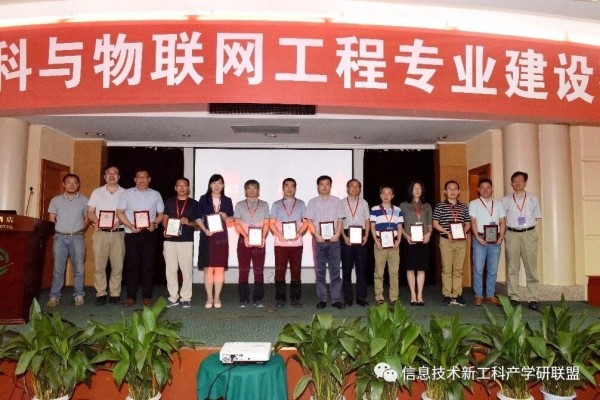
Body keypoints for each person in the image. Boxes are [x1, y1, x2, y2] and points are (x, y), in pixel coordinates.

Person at [116, 168, 164, 307]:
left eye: (144, 177)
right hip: (132, 233)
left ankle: (147, 296)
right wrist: (130, 225)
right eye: (139, 177)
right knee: (132, 266)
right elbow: (119, 212)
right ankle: (131, 296)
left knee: (148, 266)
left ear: (149, 179)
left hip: (149, 234)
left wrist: (155, 223)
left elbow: (161, 214)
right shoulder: (126, 193)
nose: (142, 179)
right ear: (134, 179)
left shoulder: (155, 194)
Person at [501, 171, 542, 311]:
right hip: (512, 234)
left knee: (531, 266)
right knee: (513, 267)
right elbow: (503, 218)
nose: (518, 183)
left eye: (521, 180)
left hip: (528, 233)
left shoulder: (532, 198)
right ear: (511, 183)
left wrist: (525, 227)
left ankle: (533, 298)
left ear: (525, 183)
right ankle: (514, 296)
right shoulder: (506, 200)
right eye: (515, 181)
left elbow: (536, 216)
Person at [47, 174, 89, 308]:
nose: (72, 185)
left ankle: (78, 295)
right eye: (69, 182)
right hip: (59, 238)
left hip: (77, 237)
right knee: (58, 269)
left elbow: (87, 217)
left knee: (79, 268)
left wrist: (81, 228)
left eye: (75, 182)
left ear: (78, 185)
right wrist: (58, 229)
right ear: (63, 184)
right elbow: (51, 217)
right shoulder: (55, 200)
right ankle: (54, 296)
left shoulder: (84, 200)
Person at [87, 165, 126, 306]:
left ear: (119, 176)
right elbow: (90, 212)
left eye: (115, 173)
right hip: (100, 234)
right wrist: (96, 221)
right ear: (104, 176)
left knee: (118, 266)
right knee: (99, 265)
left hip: (118, 233)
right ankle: (101, 293)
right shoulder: (96, 192)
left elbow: (128, 212)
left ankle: (115, 293)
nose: (111, 175)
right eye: (108, 173)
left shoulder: (125, 193)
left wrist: (120, 221)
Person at [305, 175, 345, 309]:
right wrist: (316, 235)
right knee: (320, 272)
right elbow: (309, 221)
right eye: (321, 184)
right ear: (318, 186)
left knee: (335, 271)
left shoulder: (337, 201)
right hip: (318, 241)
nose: (324, 186)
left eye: (327, 184)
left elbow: (340, 219)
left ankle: (336, 299)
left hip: (334, 241)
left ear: (330, 186)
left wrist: (337, 234)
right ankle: (322, 299)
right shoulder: (312, 202)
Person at [162, 177, 201, 308]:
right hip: (170, 241)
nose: (182, 187)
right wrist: (165, 229)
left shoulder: (194, 204)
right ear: (175, 188)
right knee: (170, 270)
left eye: (184, 185)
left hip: (186, 241)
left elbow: (199, 224)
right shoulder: (169, 202)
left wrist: (189, 222)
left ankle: (185, 298)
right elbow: (165, 219)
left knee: (186, 271)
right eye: (179, 185)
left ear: (188, 188)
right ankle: (173, 297)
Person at [197, 174, 234, 309]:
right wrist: (205, 230)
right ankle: (209, 297)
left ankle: (217, 297)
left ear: (223, 185)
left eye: (219, 183)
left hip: (221, 238)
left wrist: (226, 217)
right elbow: (197, 217)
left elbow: (230, 219)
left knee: (219, 268)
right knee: (208, 268)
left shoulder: (227, 200)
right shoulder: (203, 199)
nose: (216, 186)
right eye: (214, 183)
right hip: (207, 236)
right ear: (210, 185)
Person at [269, 178, 307, 308]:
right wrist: (279, 235)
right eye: (287, 186)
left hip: (296, 244)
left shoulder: (301, 204)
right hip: (280, 244)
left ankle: (295, 299)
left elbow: (306, 222)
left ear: (295, 188)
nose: (289, 188)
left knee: (296, 271)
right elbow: (271, 223)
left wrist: (299, 233)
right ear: (283, 188)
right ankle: (280, 299)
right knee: (280, 271)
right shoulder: (276, 204)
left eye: (292, 186)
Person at [432, 180, 471, 306]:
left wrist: (464, 231)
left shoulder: (463, 207)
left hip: (461, 241)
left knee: (458, 269)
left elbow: (468, 223)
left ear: (459, 191)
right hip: (446, 240)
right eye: (449, 188)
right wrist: (447, 232)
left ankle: (457, 294)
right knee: (447, 269)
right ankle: (447, 294)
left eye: (455, 189)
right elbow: (435, 223)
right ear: (445, 191)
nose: (452, 191)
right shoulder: (440, 206)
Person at [233, 179, 271, 308]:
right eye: (249, 188)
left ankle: (258, 299)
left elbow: (267, 223)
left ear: (258, 190)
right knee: (243, 270)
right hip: (243, 241)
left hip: (259, 241)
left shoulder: (264, 204)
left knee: (258, 270)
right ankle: (243, 299)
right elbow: (236, 223)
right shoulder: (239, 205)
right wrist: (245, 236)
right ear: (245, 190)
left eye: (254, 187)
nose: (252, 190)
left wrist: (263, 237)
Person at [469, 178, 506, 306]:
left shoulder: (498, 204)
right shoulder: (473, 203)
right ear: (478, 189)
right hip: (480, 238)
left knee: (493, 269)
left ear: (491, 189)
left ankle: (490, 294)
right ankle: (478, 295)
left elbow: (502, 222)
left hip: (495, 240)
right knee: (478, 269)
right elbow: (473, 222)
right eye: (482, 187)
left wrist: (501, 237)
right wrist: (477, 237)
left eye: (488, 187)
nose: (485, 189)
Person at [400, 180, 432, 306]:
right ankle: (413, 295)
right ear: (411, 190)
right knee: (410, 268)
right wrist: (406, 236)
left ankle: (420, 295)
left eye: (419, 188)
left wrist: (429, 234)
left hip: (423, 241)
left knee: (421, 268)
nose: (417, 190)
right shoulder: (403, 205)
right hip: (409, 241)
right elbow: (399, 225)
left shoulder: (427, 206)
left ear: (422, 190)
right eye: (415, 188)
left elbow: (430, 225)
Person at [370, 185, 403, 305]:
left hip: (394, 244)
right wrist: (376, 241)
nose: (386, 195)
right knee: (379, 272)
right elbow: (372, 227)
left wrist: (399, 240)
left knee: (394, 273)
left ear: (392, 196)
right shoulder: (374, 209)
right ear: (380, 195)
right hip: (380, 243)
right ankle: (379, 296)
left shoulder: (398, 210)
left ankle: (394, 297)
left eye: (389, 193)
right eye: (383, 193)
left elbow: (399, 227)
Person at [340, 179, 370, 307]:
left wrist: (366, 235)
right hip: (346, 236)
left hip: (361, 236)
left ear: (360, 189)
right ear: (347, 188)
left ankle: (361, 298)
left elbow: (367, 220)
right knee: (346, 270)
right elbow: (339, 221)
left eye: (357, 186)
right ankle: (348, 298)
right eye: (352, 186)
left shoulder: (364, 203)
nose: (354, 188)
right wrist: (343, 236)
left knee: (361, 270)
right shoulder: (341, 202)